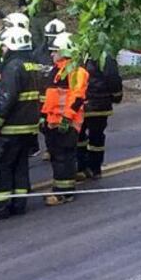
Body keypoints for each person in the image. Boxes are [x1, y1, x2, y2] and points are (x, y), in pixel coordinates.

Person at [0, 26, 42, 222]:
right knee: (19, 164)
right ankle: (18, 202)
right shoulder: (32, 63)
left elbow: (6, 98)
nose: (2, 49)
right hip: (28, 125)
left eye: (4, 45)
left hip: (12, 126)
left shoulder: (13, 66)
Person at [40, 33, 89, 206]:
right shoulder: (58, 71)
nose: (52, 55)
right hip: (54, 121)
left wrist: (67, 119)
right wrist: (44, 117)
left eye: (55, 51)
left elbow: (77, 97)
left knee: (64, 157)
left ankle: (64, 193)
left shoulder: (76, 71)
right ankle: (59, 188)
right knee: (57, 156)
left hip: (66, 123)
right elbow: (50, 97)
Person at [80, 51, 123, 179]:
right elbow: (113, 78)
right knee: (96, 137)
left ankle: (81, 167)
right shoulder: (106, 57)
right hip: (100, 104)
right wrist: (116, 97)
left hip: (81, 103)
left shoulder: (78, 56)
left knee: (79, 136)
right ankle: (95, 168)